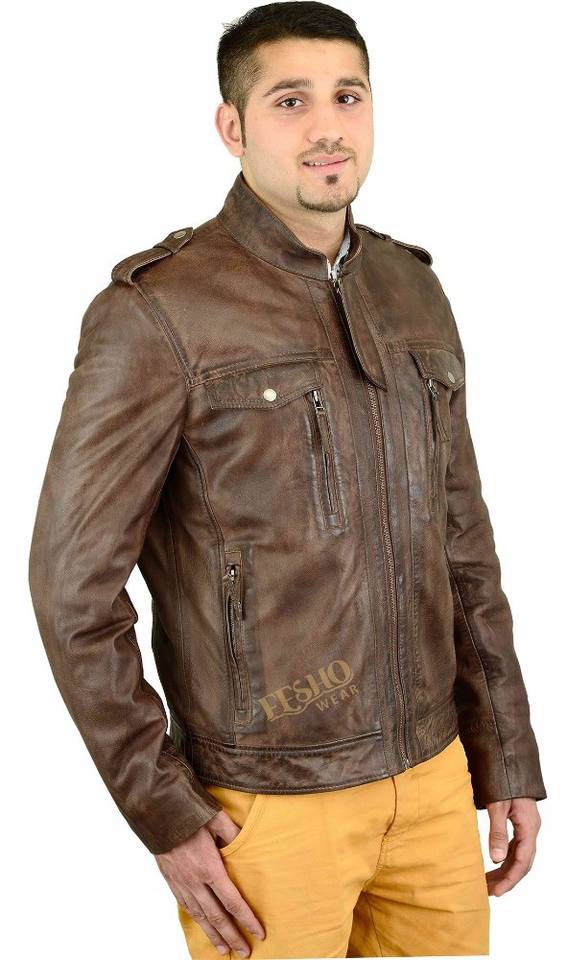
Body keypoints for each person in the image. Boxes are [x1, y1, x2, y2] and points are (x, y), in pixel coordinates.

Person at [28, 2, 546, 957]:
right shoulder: (158, 311)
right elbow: (73, 589)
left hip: (434, 780)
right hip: (263, 802)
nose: (326, 127)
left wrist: (503, 748)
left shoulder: (411, 288)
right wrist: (162, 808)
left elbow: (462, 539)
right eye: (289, 101)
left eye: (348, 96)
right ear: (232, 127)